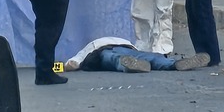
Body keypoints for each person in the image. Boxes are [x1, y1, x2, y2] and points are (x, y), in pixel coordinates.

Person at [64, 37, 211, 73]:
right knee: (152, 57)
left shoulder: (90, 46)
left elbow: (73, 63)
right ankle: (174, 63)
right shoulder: (122, 39)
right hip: (127, 47)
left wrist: (64, 66)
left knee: (114, 59)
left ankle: (129, 64)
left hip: (103, 51)